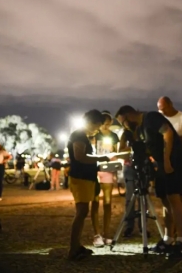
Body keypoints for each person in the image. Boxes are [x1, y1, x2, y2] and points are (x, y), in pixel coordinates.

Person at [115, 105, 182, 259]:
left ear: (129, 115)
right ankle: (168, 238)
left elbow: (168, 133)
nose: (124, 126)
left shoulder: (151, 117)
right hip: (161, 163)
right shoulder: (140, 129)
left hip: (173, 159)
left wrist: (167, 159)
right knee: (165, 199)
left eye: (123, 122)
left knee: (174, 198)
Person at [67, 110, 117, 261]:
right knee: (81, 212)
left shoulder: (83, 136)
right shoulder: (79, 135)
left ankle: (77, 246)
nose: (97, 129)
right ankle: (73, 248)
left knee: (82, 212)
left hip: (85, 178)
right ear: (91, 122)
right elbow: (79, 156)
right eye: (97, 126)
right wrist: (100, 158)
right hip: (80, 178)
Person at [157, 96, 182, 217]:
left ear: (171, 104)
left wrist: (172, 139)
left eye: (164, 108)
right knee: (167, 194)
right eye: (160, 110)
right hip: (165, 159)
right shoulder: (160, 119)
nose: (162, 112)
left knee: (181, 193)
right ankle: (171, 225)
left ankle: (181, 222)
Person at [91, 111, 120, 247]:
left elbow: (116, 151)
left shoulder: (114, 136)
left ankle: (106, 233)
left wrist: (114, 156)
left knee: (107, 203)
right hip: (96, 170)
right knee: (95, 202)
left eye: (108, 124)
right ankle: (97, 234)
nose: (106, 127)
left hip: (108, 169)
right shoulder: (95, 135)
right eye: (104, 124)